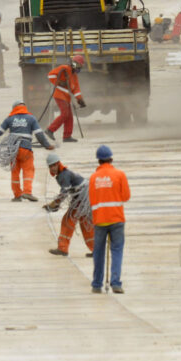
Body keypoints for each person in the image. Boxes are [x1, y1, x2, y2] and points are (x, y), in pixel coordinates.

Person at [0, 100, 54, 202]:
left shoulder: (10, 118)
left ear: (14, 108)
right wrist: (47, 145)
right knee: (28, 170)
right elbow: (39, 134)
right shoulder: (31, 118)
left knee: (15, 172)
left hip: (13, 150)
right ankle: (27, 192)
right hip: (26, 149)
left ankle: (17, 195)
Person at [88, 145, 130, 294]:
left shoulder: (93, 178)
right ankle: (116, 283)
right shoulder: (119, 175)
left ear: (98, 161)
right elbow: (126, 196)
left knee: (98, 253)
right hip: (117, 219)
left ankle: (96, 284)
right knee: (117, 251)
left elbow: (92, 200)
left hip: (99, 220)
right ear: (111, 159)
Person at [43, 152, 95, 258]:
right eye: (50, 166)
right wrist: (55, 205)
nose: (52, 168)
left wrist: (53, 205)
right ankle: (96, 250)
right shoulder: (64, 173)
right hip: (83, 198)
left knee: (67, 221)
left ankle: (63, 249)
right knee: (86, 224)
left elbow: (64, 193)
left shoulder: (63, 175)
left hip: (82, 198)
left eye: (54, 165)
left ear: (58, 164)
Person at [46, 55, 86, 143]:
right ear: (73, 64)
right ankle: (50, 130)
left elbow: (76, 89)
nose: (78, 68)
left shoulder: (74, 75)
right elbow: (50, 75)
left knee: (69, 116)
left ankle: (67, 136)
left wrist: (80, 100)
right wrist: (59, 82)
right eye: (78, 65)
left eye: (80, 66)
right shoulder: (64, 68)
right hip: (59, 94)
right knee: (65, 113)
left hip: (66, 97)